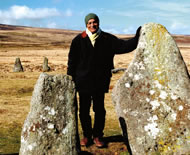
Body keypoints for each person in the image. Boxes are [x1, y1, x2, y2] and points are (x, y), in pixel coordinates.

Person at [67, 13, 141, 148]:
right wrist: (70, 79)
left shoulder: (107, 39)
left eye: (94, 22)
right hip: (82, 81)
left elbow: (124, 46)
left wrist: (137, 37)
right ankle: (86, 136)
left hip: (100, 81)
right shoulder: (78, 40)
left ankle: (97, 136)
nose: (92, 25)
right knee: (84, 110)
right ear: (86, 25)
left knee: (99, 109)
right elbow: (72, 61)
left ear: (98, 23)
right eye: (89, 23)